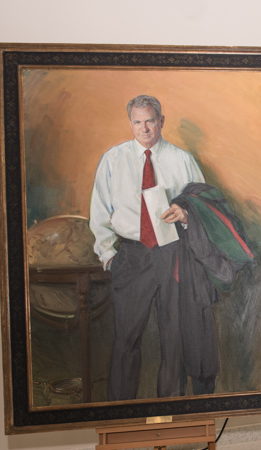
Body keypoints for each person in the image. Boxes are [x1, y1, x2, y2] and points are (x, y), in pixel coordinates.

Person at [89, 94, 204, 401]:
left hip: (173, 253)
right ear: (130, 123)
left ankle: (170, 416)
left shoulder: (182, 160)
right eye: (137, 122)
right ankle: (121, 418)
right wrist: (109, 256)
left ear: (160, 121)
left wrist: (186, 214)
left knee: (173, 340)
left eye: (150, 120)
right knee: (126, 340)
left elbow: (205, 207)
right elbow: (99, 211)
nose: (144, 128)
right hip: (131, 255)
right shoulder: (113, 159)